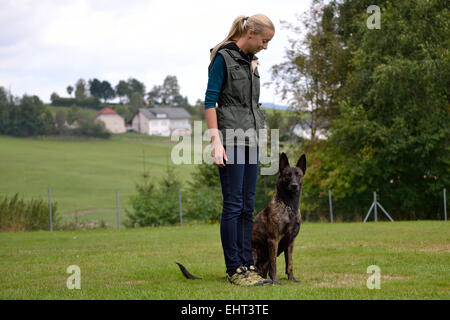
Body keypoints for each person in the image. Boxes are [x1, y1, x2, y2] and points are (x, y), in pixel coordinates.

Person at [204, 14, 275, 286]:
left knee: (247, 206)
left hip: (251, 139)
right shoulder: (223, 57)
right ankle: (234, 269)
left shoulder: (251, 61)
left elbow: (251, 106)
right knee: (233, 205)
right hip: (230, 138)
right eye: (264, 41)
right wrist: (216, 142)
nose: (265, 47)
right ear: (251, 32)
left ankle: (248, 267)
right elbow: (210, 101)